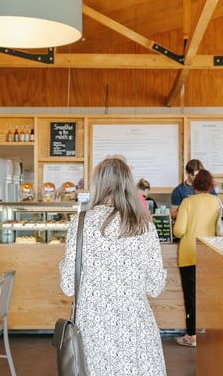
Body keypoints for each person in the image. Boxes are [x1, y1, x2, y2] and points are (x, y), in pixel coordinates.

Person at [59, 157, 167, 376]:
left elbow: (68, 286)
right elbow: (155, 287)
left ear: (98, 184)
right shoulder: (144, 226)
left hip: (92, 327)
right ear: (129, 184)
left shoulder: (80, 223)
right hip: (135, 327)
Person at [172, 169, 220, 347]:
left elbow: (179, 230)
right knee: (209, 295)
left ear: (194, 185)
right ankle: (208, 332)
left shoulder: (187, 202)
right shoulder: (216, 202)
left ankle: (191, 335)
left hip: (189, 253)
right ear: (210, 185)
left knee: (191, 296)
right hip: (210, 253)